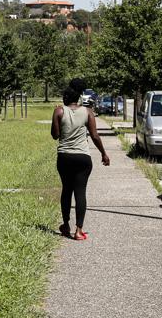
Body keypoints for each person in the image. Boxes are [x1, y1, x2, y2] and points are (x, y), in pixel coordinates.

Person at [51, 84, 110, 240]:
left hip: (64, 157)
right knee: (80, 192)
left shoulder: (59, 111)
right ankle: (79, 230)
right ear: (78, 98)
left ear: (65, 98)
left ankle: (66, 225)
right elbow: (95, 136)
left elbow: (55, 135)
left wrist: (58, 120)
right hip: (83, 158)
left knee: (66, 190)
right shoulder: (88, 112)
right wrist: (104, 154)